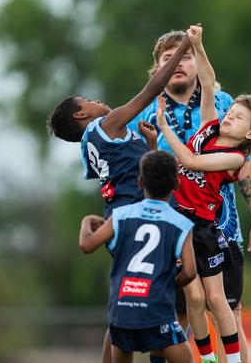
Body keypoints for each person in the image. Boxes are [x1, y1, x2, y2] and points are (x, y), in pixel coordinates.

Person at [129, 28, 251, 363]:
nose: (177, 62)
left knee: (227, 308)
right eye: (169, 57)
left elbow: (245, 169)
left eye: (185, 55)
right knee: (172, 316)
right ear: (158, 68)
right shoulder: (143, 112)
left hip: (219, 227)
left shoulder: (224, 107)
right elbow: (135, 173)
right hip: (169, 229)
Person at [47, 29, 192, 218]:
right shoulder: (105, 125)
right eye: (88, 100)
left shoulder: (92, 146)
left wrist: (151, 145)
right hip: (142, 210)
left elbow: (135, 170)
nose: (97, 101)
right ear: (81, 114)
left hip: (119, 215)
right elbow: (151, 91)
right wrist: (182, 49)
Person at [79, 150, 197, 363]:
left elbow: (86, 245)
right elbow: (189, 272)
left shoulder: (120, 216)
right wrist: (169, 285)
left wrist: (87, 221)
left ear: (140, 182)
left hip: (123, 309)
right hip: (157, 309)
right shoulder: (181, 224)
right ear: (176, 185)